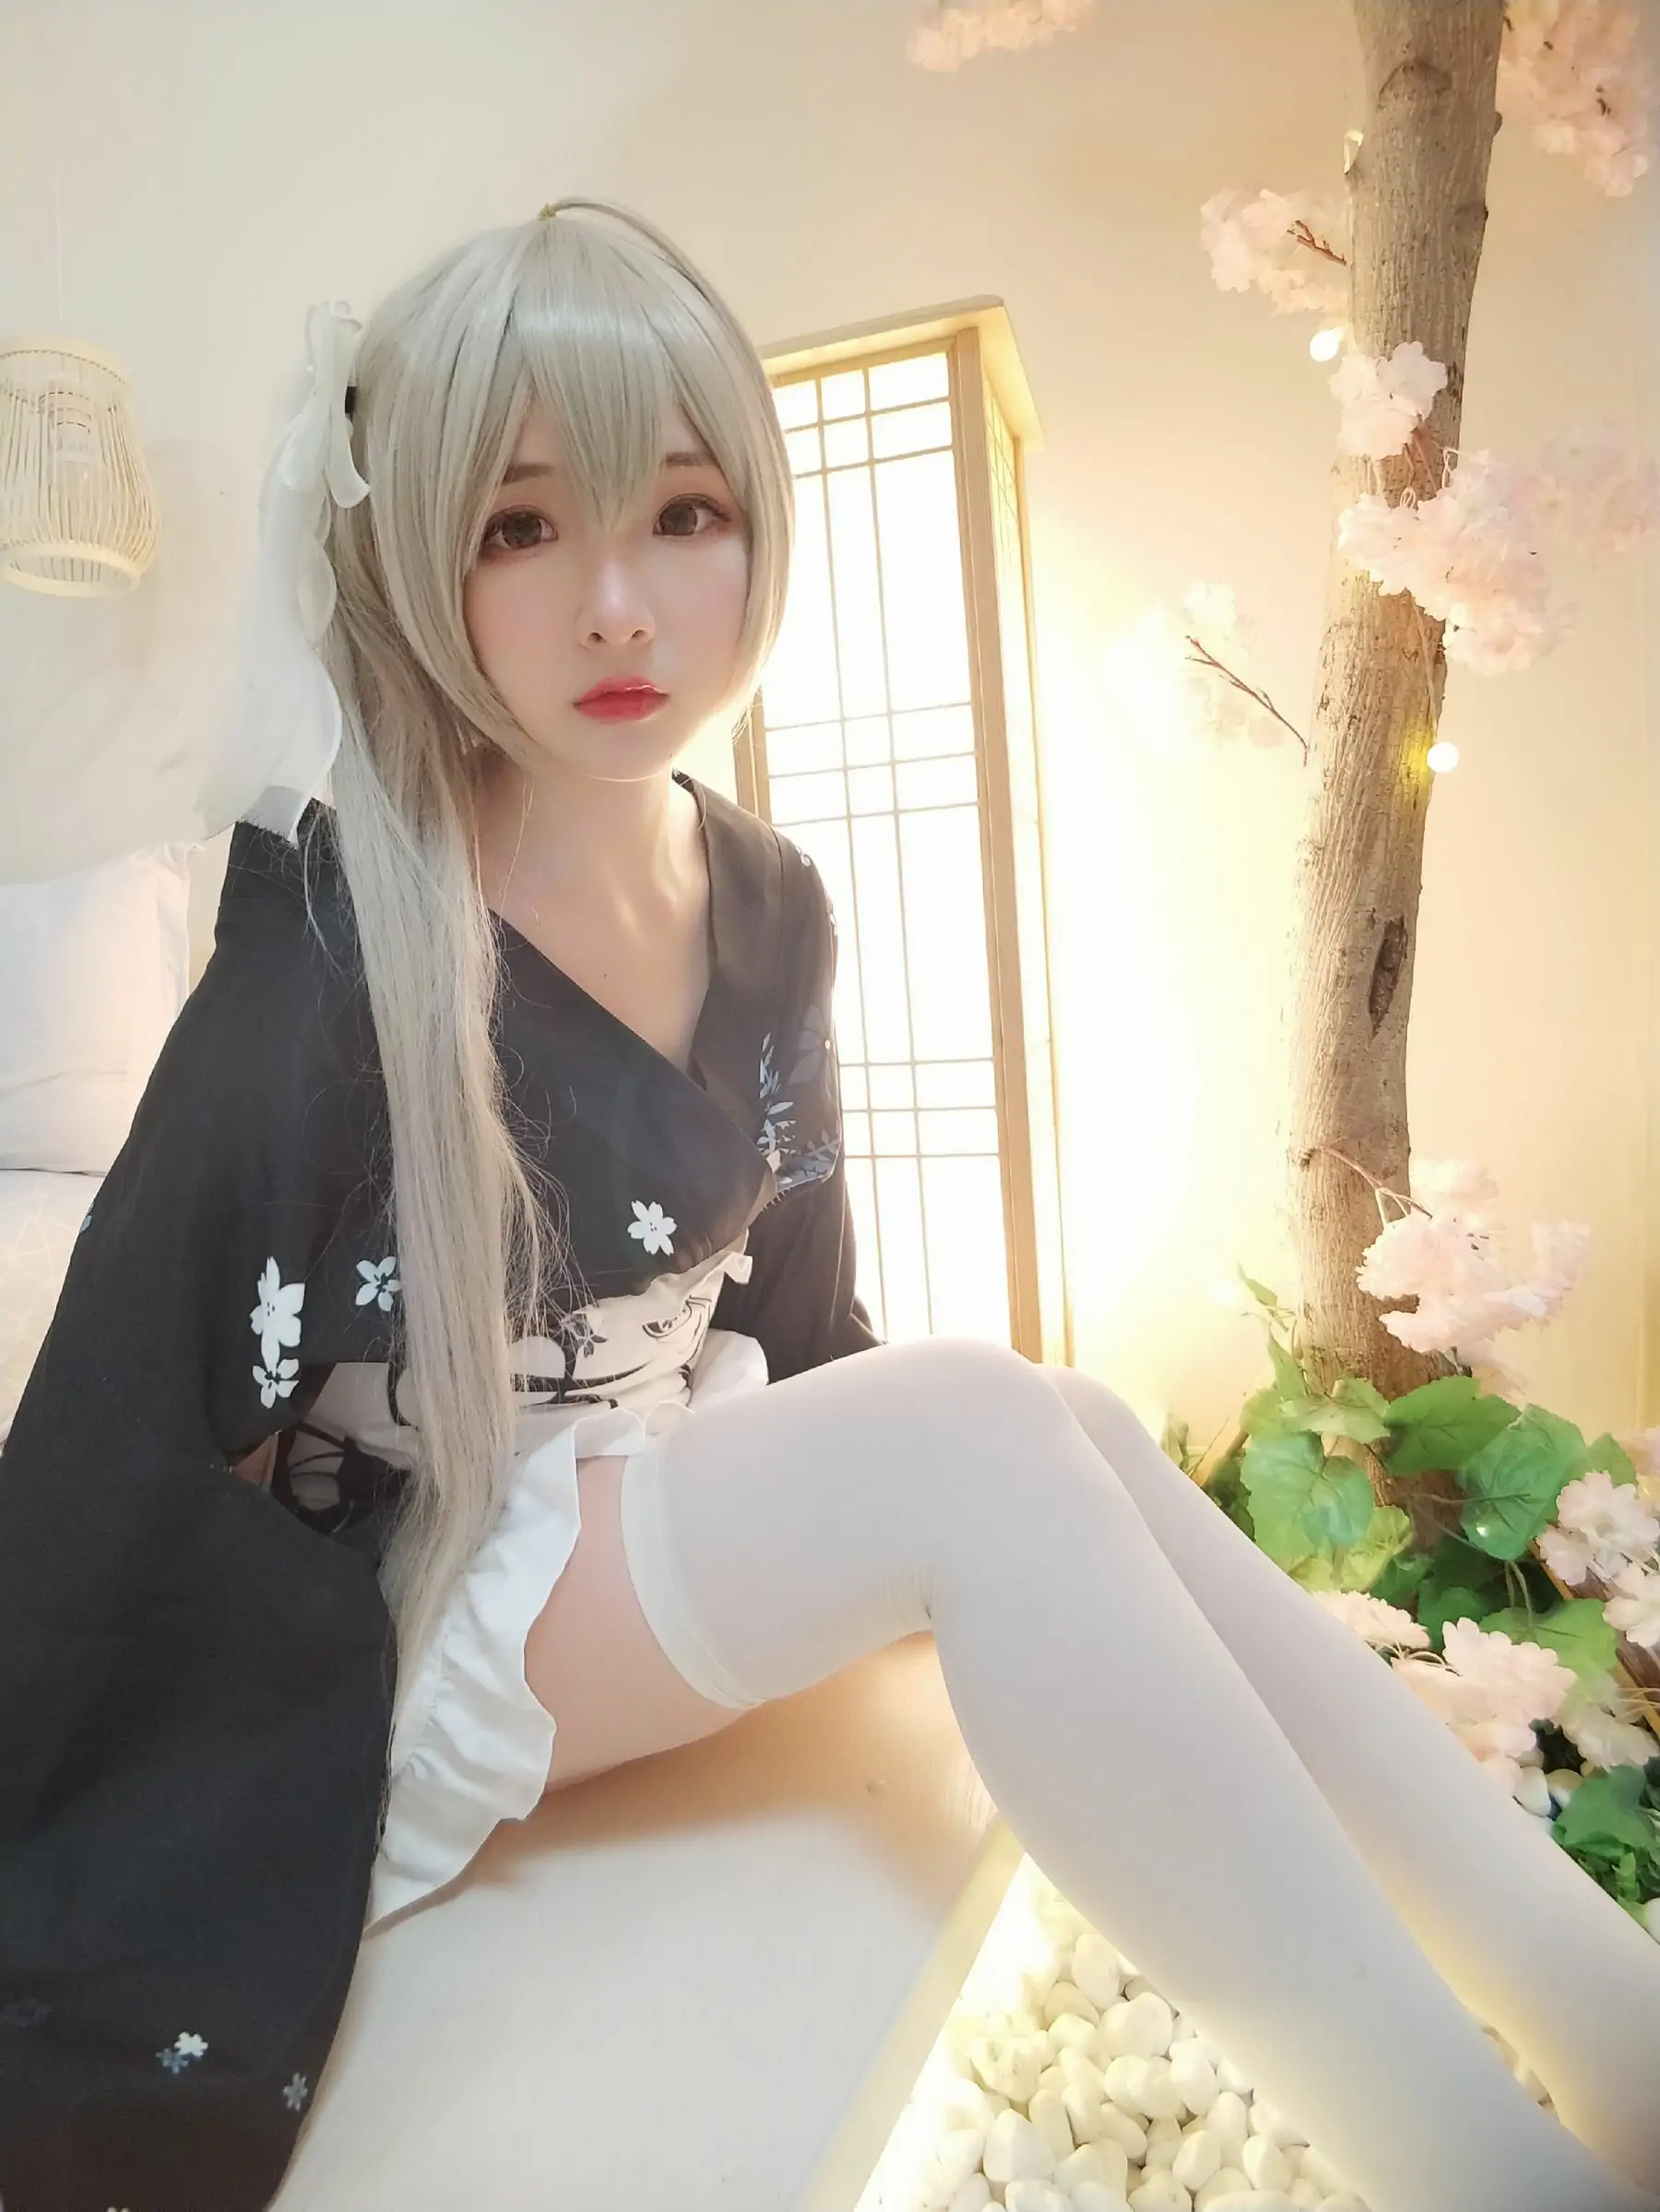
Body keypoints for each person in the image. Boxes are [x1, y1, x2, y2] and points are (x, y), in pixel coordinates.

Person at [0, 200, 1656, 2212]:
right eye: (521, 528)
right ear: (419, 556)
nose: (619, 604)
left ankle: (1614, 2022)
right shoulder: (339, 939)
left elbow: (803, 1304)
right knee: (983, 1425)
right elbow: (117, 1446)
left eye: (682, 512)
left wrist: (932, 1522)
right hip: (429, 1616)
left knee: (1065, 1414)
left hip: (636, 1489)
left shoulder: (768, 899)